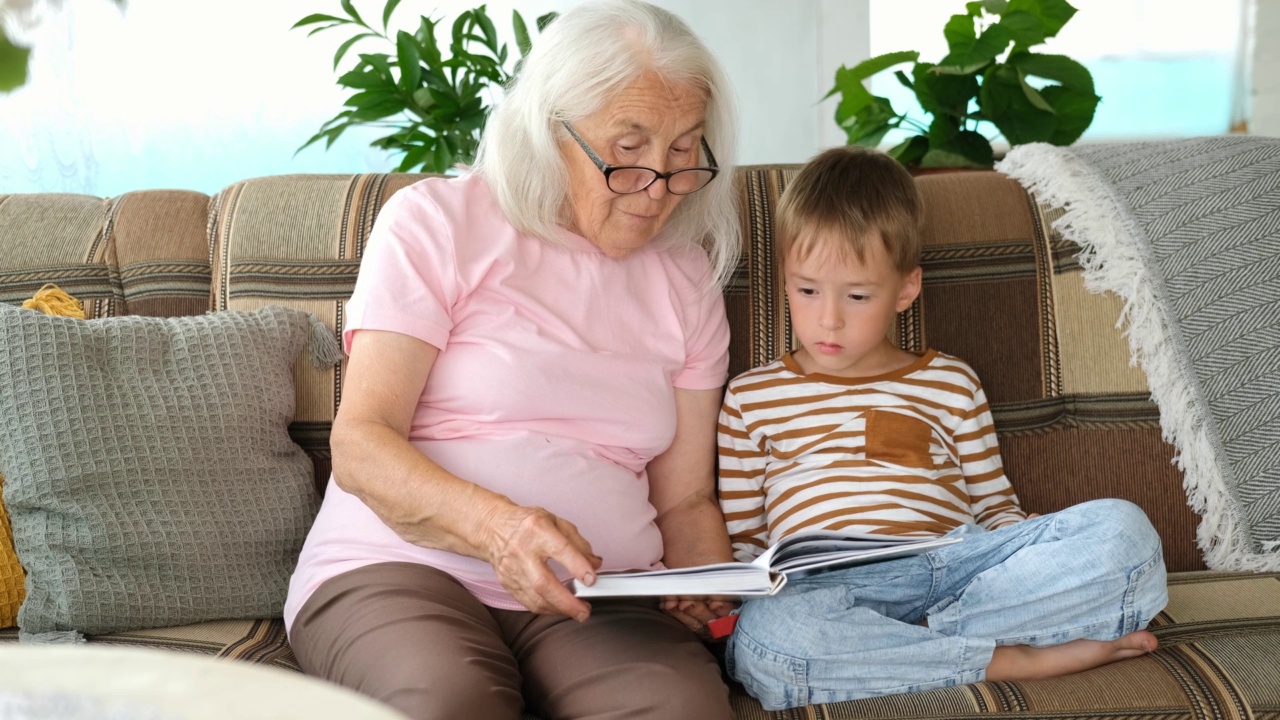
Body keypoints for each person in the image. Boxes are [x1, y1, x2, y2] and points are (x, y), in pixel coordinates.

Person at [283, 2, 742, 718]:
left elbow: (683, 500)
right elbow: (361, 445)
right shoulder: (438, 222)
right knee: (448, 702)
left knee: (678, 708)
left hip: (595, 594)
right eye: (628, 151)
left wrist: (707, 589)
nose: (657, 190)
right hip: (400, 566)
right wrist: (500, 530)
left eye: (683, 152)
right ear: (548, 131)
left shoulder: (686, 280)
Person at [716, 146, 1170, 711]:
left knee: (1125, 536)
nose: (827, 318)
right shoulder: (751, 398)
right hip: (823, 589)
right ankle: (1010, 657)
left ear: (906, 290)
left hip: (960, 568)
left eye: (857, 296)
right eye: (806, 290)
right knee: (772, 640)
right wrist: (721, 598)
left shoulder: (951, 383)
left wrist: (1022, 539)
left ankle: (910, 651)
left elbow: (995, 507)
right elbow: (746, 546)